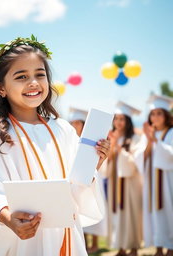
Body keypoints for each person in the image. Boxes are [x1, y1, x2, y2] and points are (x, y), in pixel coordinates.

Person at [0, 35, 110, 256]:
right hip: (23, 235)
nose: (33, 82)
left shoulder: (63, 129)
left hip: (66, 234)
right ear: (0, 87)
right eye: (21, 76)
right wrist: (8, 218)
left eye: (39, 75)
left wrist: (92, 164)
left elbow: (76, 184)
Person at [102, 101, 143, 256]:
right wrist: (111, 147)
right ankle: (121, 247)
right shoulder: (113, 137)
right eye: (116, 119)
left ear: (128, 121)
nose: (118, 122)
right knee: (117, 214)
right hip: (115, 182)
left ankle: (133, 247)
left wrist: (118, 147)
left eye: (122, 119)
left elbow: (134, 162)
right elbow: (109, 161)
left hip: (130, 182)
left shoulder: (135, 138)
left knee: (131, 214)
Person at [138, 94, 173, 256]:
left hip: (168, 180)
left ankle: (170, 246)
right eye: (153, 113)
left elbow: (170, 155)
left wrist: (154, 140)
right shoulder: (149, 135)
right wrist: (150, 141)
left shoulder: (171, 133)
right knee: (156, 212)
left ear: (166, 115)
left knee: (169, 210)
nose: (155, 116)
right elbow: (141, 157)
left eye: (159, 113)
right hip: (153, 180)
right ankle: (159, 246)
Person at [69, 107, 108, 253]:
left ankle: (95, 243)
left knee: (91, 208)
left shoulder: (90, 141)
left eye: (77, 122)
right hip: (74, 184)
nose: (74, 125)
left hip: (91, 180)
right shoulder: (70, 141)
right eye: (72, 122)